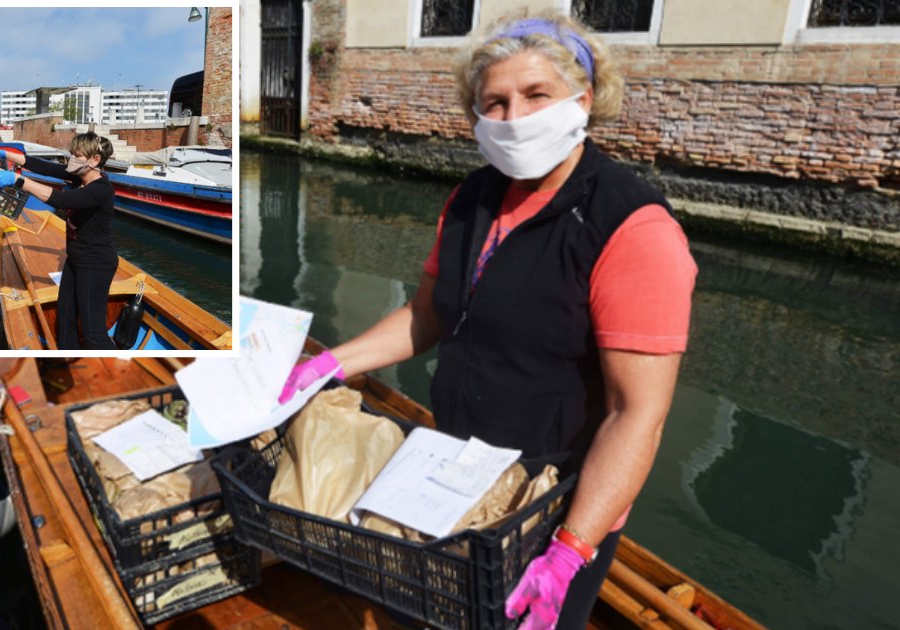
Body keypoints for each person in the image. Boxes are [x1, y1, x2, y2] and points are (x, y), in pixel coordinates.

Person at [278, 11, 697, 630]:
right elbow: (427, 316)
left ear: (583, 99)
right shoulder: (472, 197)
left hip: (552, 502)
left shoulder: (632, 225)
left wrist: (569, 551)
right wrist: (331, 363)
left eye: (536, 95)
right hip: (455, 466)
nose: (514, 118)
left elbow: (636, 415)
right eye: (494, 103)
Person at [0, 133, 118, 350]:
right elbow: (43, 167)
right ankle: (67, 360)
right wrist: (5, 154)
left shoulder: (102, 190)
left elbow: (63, 200)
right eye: (71, 154)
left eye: (77, 155)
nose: (71, 160)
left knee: (93, 333)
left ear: (95, 160)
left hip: (96, 264)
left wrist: (19, 180)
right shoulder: (79, 178)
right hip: (75, 260)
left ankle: (115, 376)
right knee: (65, 319)